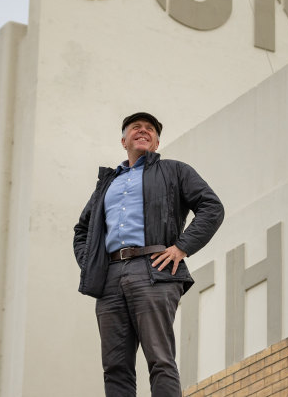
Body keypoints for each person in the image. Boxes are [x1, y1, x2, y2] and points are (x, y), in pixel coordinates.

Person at [73, 112, 224, 396]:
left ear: (156, 142)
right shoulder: (106, 184)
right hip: (109, 277)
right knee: (115, 367)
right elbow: (82, 230)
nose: (143, 131)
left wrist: (182, 247)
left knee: (160, 359)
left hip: (153, 269)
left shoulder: (174, 170)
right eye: (136, 128)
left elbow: (211, 207)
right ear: (123, 140)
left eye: (150, 129)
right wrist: (90, 265)